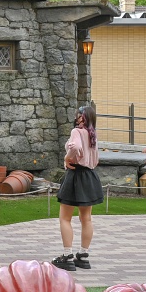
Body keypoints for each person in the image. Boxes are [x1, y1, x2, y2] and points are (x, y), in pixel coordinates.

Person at [52, 105, 103, 272]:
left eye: (78, 115)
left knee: (65, 218)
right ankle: (83, 255)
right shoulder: (92, 134)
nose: (76, 117)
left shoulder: (77, 131)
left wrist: (67, 158)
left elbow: (74, 147)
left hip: (76, 175)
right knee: (86, 218)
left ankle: (67, 256)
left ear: (82, 117)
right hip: (90, 176)